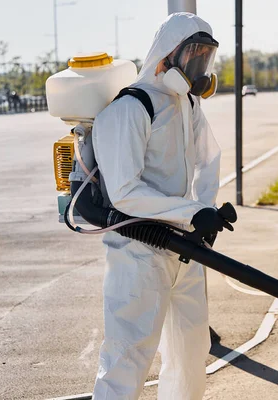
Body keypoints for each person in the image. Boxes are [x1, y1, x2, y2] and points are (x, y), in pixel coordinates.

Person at [91, 12, 231, 400]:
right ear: (167, 56)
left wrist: (207, 212)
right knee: (127, 357)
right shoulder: (131, 109)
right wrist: (190, 213)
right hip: (138, 252)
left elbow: (210, 157)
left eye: (206, 57)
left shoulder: (187, 103)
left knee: (190, 350)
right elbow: (124, 192)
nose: (199, 67)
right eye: (193, 56)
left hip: (182, 248)